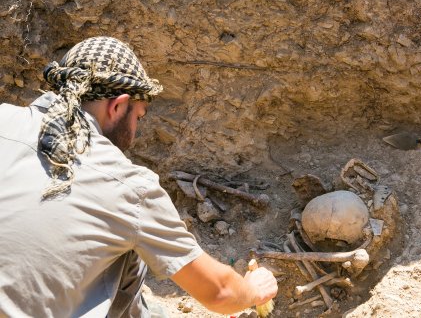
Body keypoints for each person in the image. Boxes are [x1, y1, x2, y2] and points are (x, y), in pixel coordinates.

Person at [0, 36, 277, 317]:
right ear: (117, 106)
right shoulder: (128, 186)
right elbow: (220, 293)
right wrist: (253, 290)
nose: (135, 130)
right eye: (139, 117)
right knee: (131, 249)